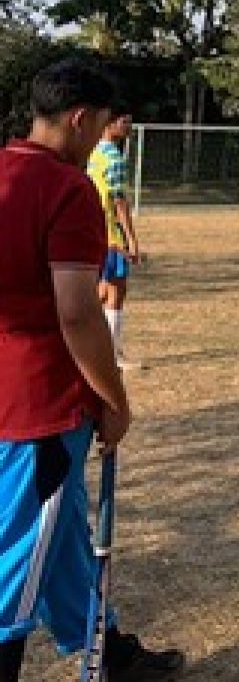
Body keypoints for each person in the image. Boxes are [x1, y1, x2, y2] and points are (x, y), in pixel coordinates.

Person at [0, 58, 184, 682]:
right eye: (104, 122)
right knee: (17, 561)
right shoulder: (67, 187)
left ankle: (107, 650)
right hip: (41, 410)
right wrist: (115, 398)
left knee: (63, 538)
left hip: (15, 405)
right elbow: (79, 313)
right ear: (81, 119)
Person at [88, 104, 142, 370]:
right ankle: (111, 355)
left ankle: (95, 349)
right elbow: (118, 200)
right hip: (111, 233)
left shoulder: (93, 152)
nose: (128, 126)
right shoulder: (113, 158)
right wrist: (131, 239)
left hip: (94, 229)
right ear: (109, 123)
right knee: (116, 292)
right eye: (124, 121)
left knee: (101, 290)